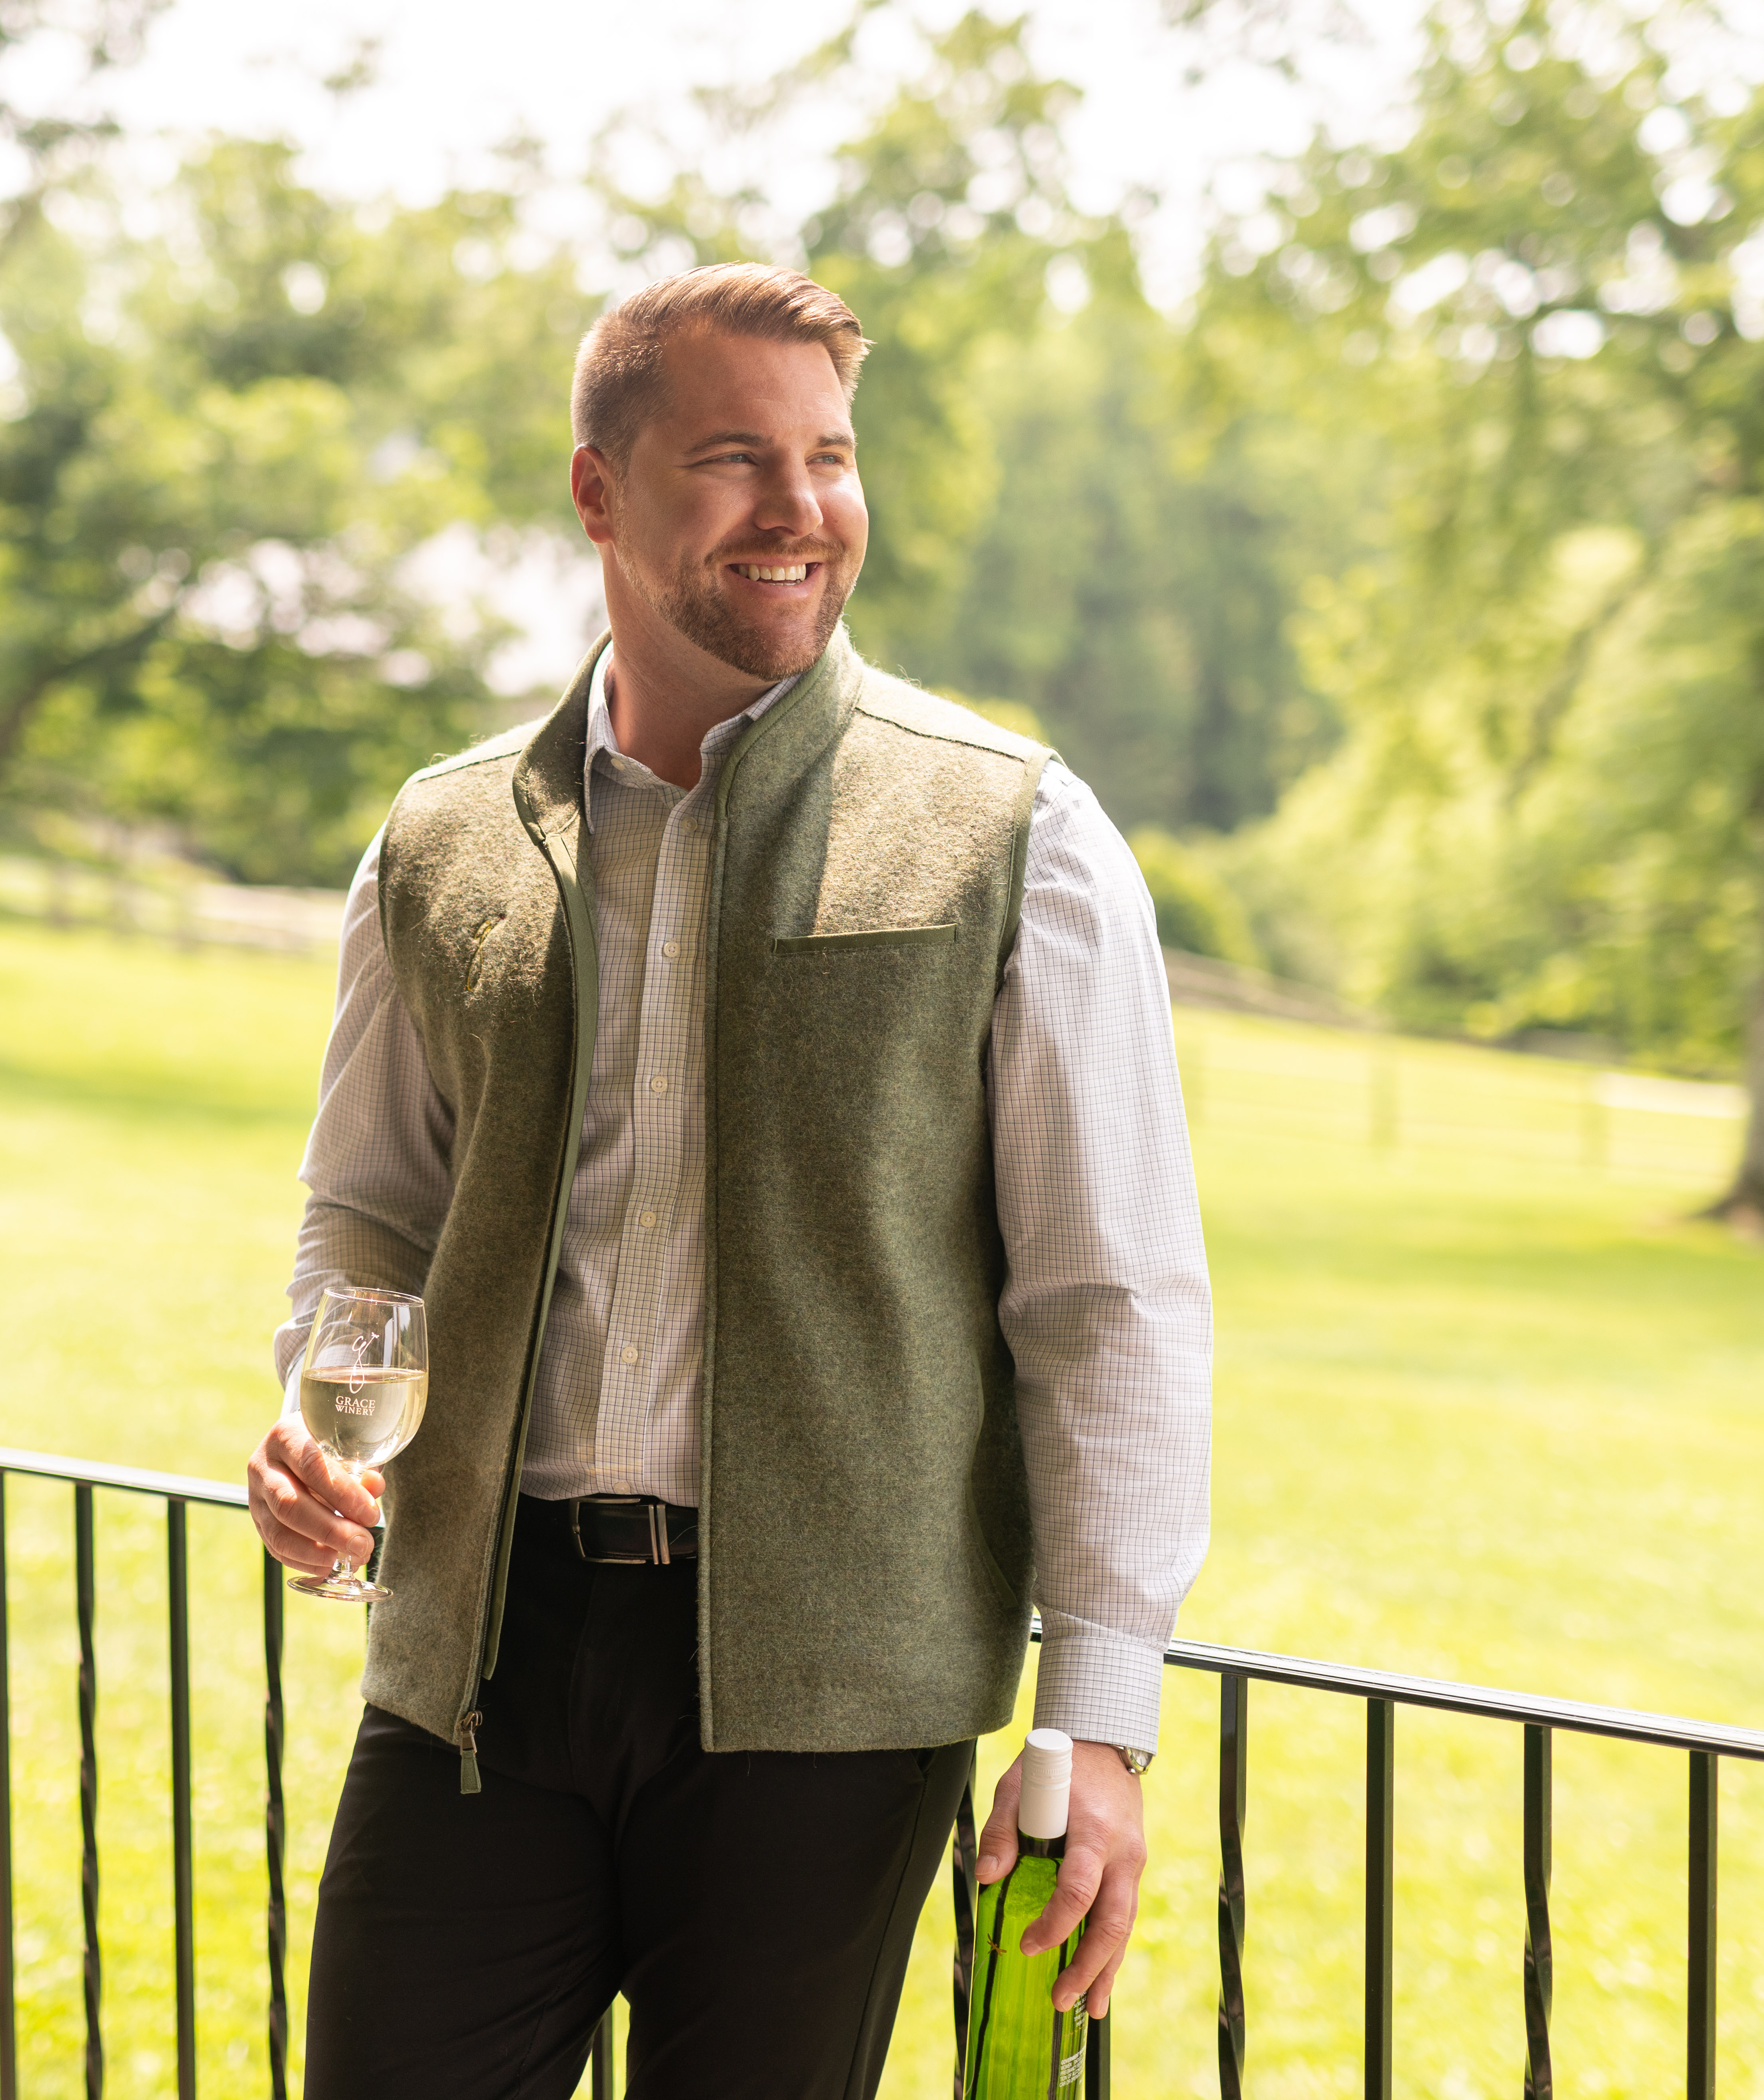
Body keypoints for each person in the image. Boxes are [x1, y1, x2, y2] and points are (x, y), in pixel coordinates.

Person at [245, 262, 1211, 2098]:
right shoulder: (439, 836)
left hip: (832, 1696)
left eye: (831, 459)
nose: (803, 512)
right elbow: (370, 1208)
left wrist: (1098, 1719)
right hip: (479, 1660)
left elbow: (1110, 1298)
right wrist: (320, 1420)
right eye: (735, 460)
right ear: (601, 491)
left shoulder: (1019, 833)